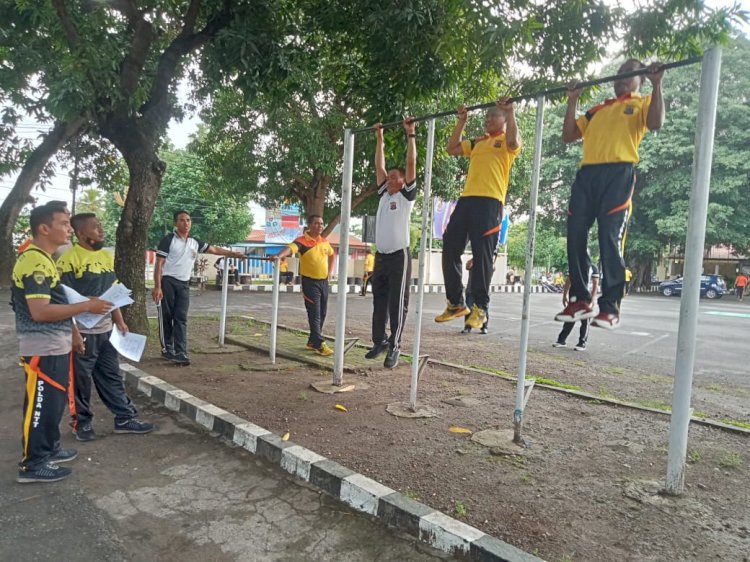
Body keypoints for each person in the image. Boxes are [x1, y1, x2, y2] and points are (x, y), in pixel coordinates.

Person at [556, 59, 665, 330]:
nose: (623, 78)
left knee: (608, 237)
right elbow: (569, 135)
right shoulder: (597, 110)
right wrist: (573, 100)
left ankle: (610, 305)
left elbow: (656, 123)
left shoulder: (642, 103)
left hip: (618, 173)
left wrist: (658, 83)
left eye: (631, 74)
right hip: (587, 176)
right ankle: (580, 299)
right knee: (575, 234)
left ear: (641, 80)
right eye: (620, 74)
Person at [12, 202, 112, 483]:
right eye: (64, 224)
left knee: (53, 403)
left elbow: (58, 302)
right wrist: (87, 307)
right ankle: (33, 464)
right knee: (41, 404)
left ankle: (49, 449)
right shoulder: (34, 261)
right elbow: (40, 311)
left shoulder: (46, 258)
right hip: (41, 349)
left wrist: (74, 333)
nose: (69, 229)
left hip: (55, 344)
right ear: (44, 228)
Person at [57, 213, 154, 442]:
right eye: (95, 227)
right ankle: (81, 423)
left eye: (100, 225)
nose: (101, 230)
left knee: (111, 376)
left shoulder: (106, 257)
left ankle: (124, 418)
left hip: (106, 331)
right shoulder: (69, 260)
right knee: (81, 381)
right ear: (81, 234)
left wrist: (119, 321)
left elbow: (114, 293)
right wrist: (73, 333)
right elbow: (62, 300)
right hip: (83, 333)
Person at [436, 98, 521, 329]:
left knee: (482, 256)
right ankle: (455, 302)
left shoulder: (506, 142)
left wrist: (510, 112)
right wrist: (461, 122)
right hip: (467, 200)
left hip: (491, 202)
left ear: (503, 120)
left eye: (493, 116)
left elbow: (514, 141)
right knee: (450, 245)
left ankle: (480, 307)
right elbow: (451, 148)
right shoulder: (477, 143)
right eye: (486, 118)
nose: (488, 120)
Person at [153, 211, 245, 365]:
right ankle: (167, 349)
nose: (186, 223)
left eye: (188, 220)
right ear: (175, 223)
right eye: (182, 220)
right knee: (166, 316)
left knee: (181, 317)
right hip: (167, 282)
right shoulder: (168, 240)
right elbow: (159, 264)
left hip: (183, 284)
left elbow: (214, 250)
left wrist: (233, 254)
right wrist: (157, 287)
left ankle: (181, 352)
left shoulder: (195, 242)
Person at [365, 119, 417, 369]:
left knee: (397, 303)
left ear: (402, 181)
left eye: (393, 177)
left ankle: (395, 346)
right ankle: (380, 341)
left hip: (399, 256)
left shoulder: (406, 197)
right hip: (381, 256)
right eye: (388, 177)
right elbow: (379, 164)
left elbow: (411, 163)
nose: (388, 179)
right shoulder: (383, 195)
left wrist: (411, 135)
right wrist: (380, 138)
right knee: (379, 301)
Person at [276, 215, 335, 356]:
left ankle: (312, 341)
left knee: (322, 313)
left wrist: (330, 272)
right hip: (310, 282)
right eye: (316, 223)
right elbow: (290, 248)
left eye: (321, 223)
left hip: (324, 282)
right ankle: (319, 343)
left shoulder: (325, 242)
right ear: (309, 225)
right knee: (314, 313)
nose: (320, 226)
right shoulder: (302, 241)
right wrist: (279, 256)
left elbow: (332, 255)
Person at [553, 265, 600, 351]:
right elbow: (568, 281)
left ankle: (582, 343)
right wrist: (564, 296)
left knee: (585, 320)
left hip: (586, 297)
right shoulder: (574, 265)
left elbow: (595, 284)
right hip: (574, 296)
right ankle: (561, 340)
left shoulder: (593, 268)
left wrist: (593, 299)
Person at [461, 258, 490, 335]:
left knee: (483, 309)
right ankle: (467, 327)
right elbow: (467, 266)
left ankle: (484, 327)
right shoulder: (473, 260)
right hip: (471, 289)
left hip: (482, 291)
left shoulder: (486, 261)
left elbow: (492, 269)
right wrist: (474, 258)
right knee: (469, 308)